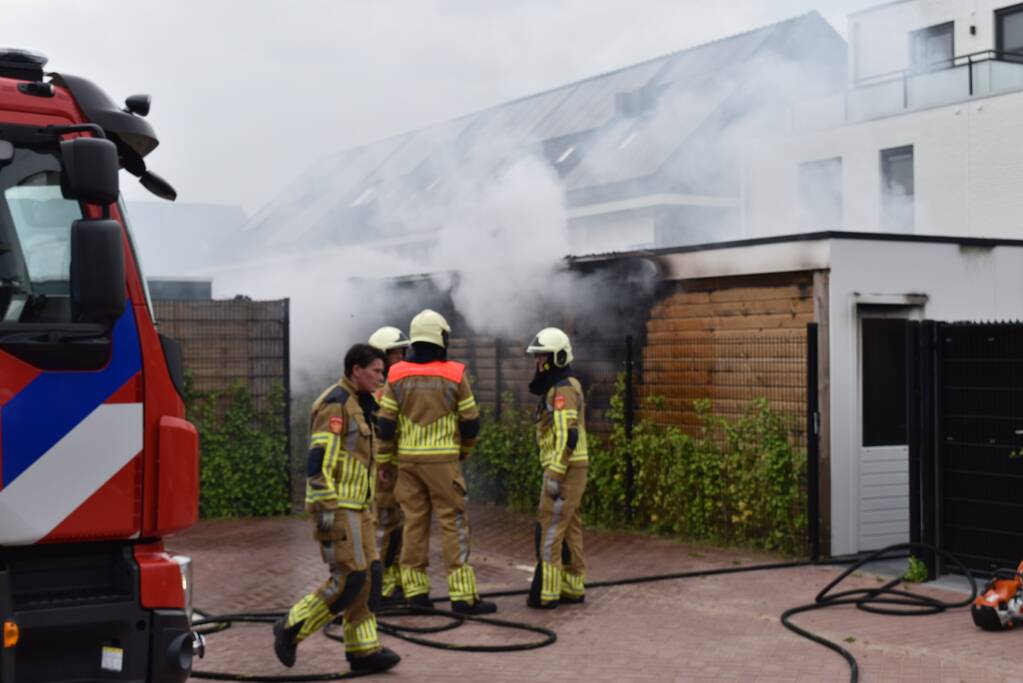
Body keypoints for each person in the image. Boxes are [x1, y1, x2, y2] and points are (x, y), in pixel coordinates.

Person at [273, 344, 401, 673]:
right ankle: (291, 627)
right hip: (337, 507)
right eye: (375, 370)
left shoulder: (362, 403)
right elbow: (318, 465)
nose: (381, 376)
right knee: (350, 579)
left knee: (370, 576)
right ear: (356, 370)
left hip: (361, 508)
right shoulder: (336, 404)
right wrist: (326, 512)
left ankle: (363, 651)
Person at [375, 309, 497, 615]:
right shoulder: (455, 374)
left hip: (406, 462)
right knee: (452, 522)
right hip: (443, 461)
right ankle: (462, 597)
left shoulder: (396, 375)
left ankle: (416, 593)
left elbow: (386, 425)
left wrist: (385, 462)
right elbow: (470, 421)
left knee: (414, 522)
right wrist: (463, 451)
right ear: (441, 338)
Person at [525, 327, 588, 609]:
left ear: (557, 358)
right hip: (573, 467)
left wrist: (554, 472)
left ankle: (547, 593)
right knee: (570, 525)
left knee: (550, 526)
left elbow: (567, 435)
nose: (538, 364)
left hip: (564, 468)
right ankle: (572, 586)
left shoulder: (563, 389)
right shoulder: (561, 386)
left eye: (542, 358)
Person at [367, 325, 411, 605]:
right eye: (397, 355)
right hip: (383, 470)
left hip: (399, 468)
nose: (402, 359)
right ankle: (377, 588)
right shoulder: (379, 393)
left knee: (400, 527)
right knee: (383, 528)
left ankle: (392, 584)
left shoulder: (394, 388)